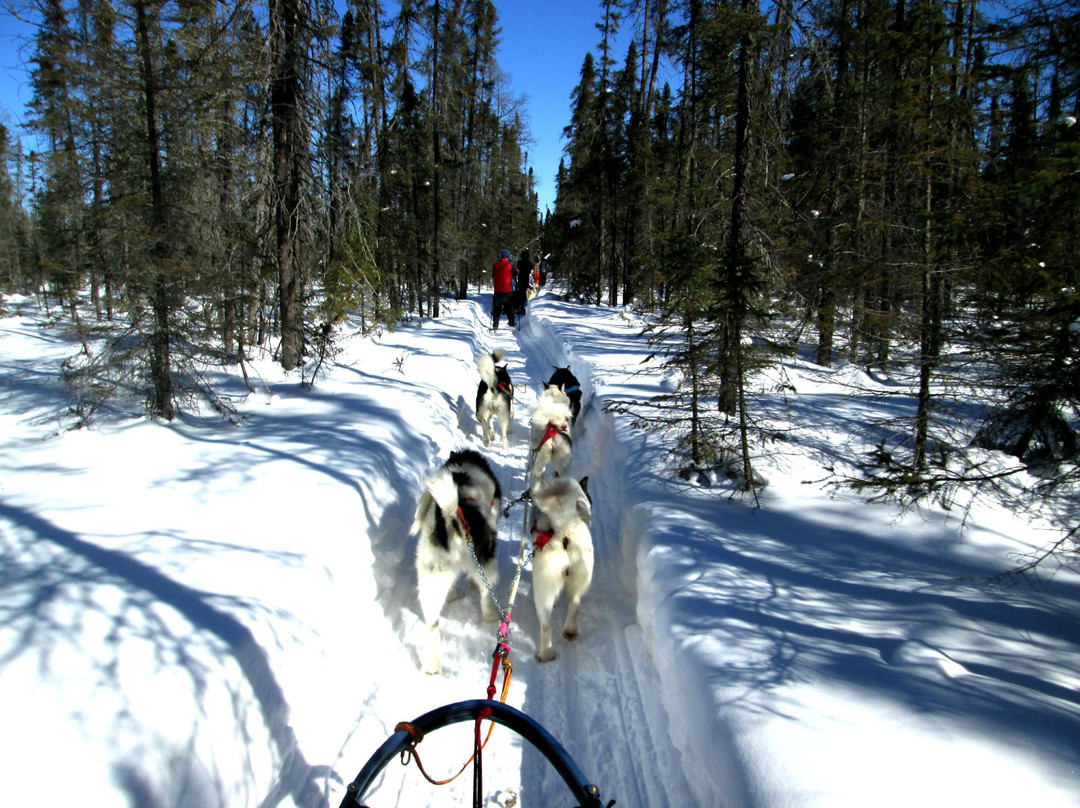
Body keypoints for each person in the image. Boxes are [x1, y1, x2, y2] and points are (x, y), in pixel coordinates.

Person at [492, 248, 515, 330]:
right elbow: (515, 274)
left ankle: (495, 325)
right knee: (510, 309)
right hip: (508, 290)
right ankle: (512, 324)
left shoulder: (495, 265)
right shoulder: (511, 265)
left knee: (497, 309)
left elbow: (493, 276)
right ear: (508, 256)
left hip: (498, 290)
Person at [514, 250, 533, 316]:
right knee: (523, 292)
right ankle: (522, 306)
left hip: (520, 278)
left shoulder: (520, 262)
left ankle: (518, 306)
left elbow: (518, 268)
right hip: (526, 279)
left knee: (519, 292)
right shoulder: (529, 263)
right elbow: (530, 270)